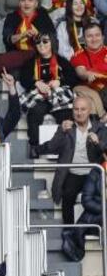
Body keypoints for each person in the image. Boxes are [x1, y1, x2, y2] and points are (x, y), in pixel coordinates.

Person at [37, 95, 106, 226]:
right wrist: (61, 132)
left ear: (90, 110)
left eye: (83, 109)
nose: (79, 113)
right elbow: (52, 147)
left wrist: (97, 143)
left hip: (93, 174)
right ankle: (69, 232)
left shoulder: (100, 128)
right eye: (76, 109)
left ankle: (93, 229)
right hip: (73, 172)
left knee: (96, 199)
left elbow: (104, 153)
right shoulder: (66, 127)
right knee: (68, 196)